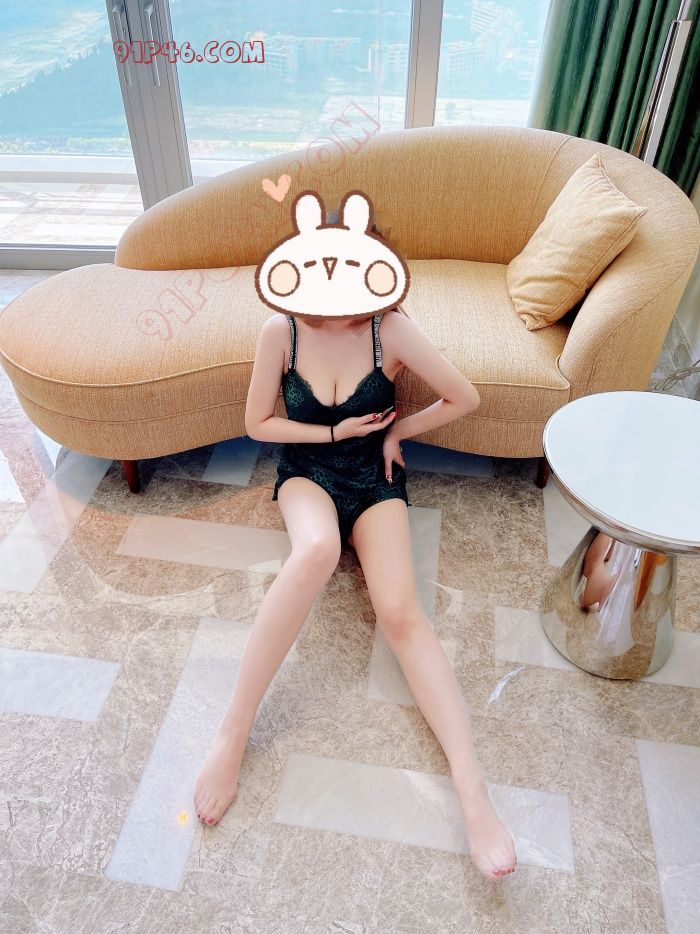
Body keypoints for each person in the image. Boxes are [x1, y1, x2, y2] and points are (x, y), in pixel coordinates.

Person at [193, 190, 517, 880]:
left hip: (375, 479)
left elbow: (465, 396)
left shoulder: (388, 328)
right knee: (314, 550)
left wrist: (399, 431)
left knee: (400, 613)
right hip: (308, 471)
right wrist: (333, 431)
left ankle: (473, 795)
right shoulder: (280, 331)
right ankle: (232, 734)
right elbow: (257, 424)